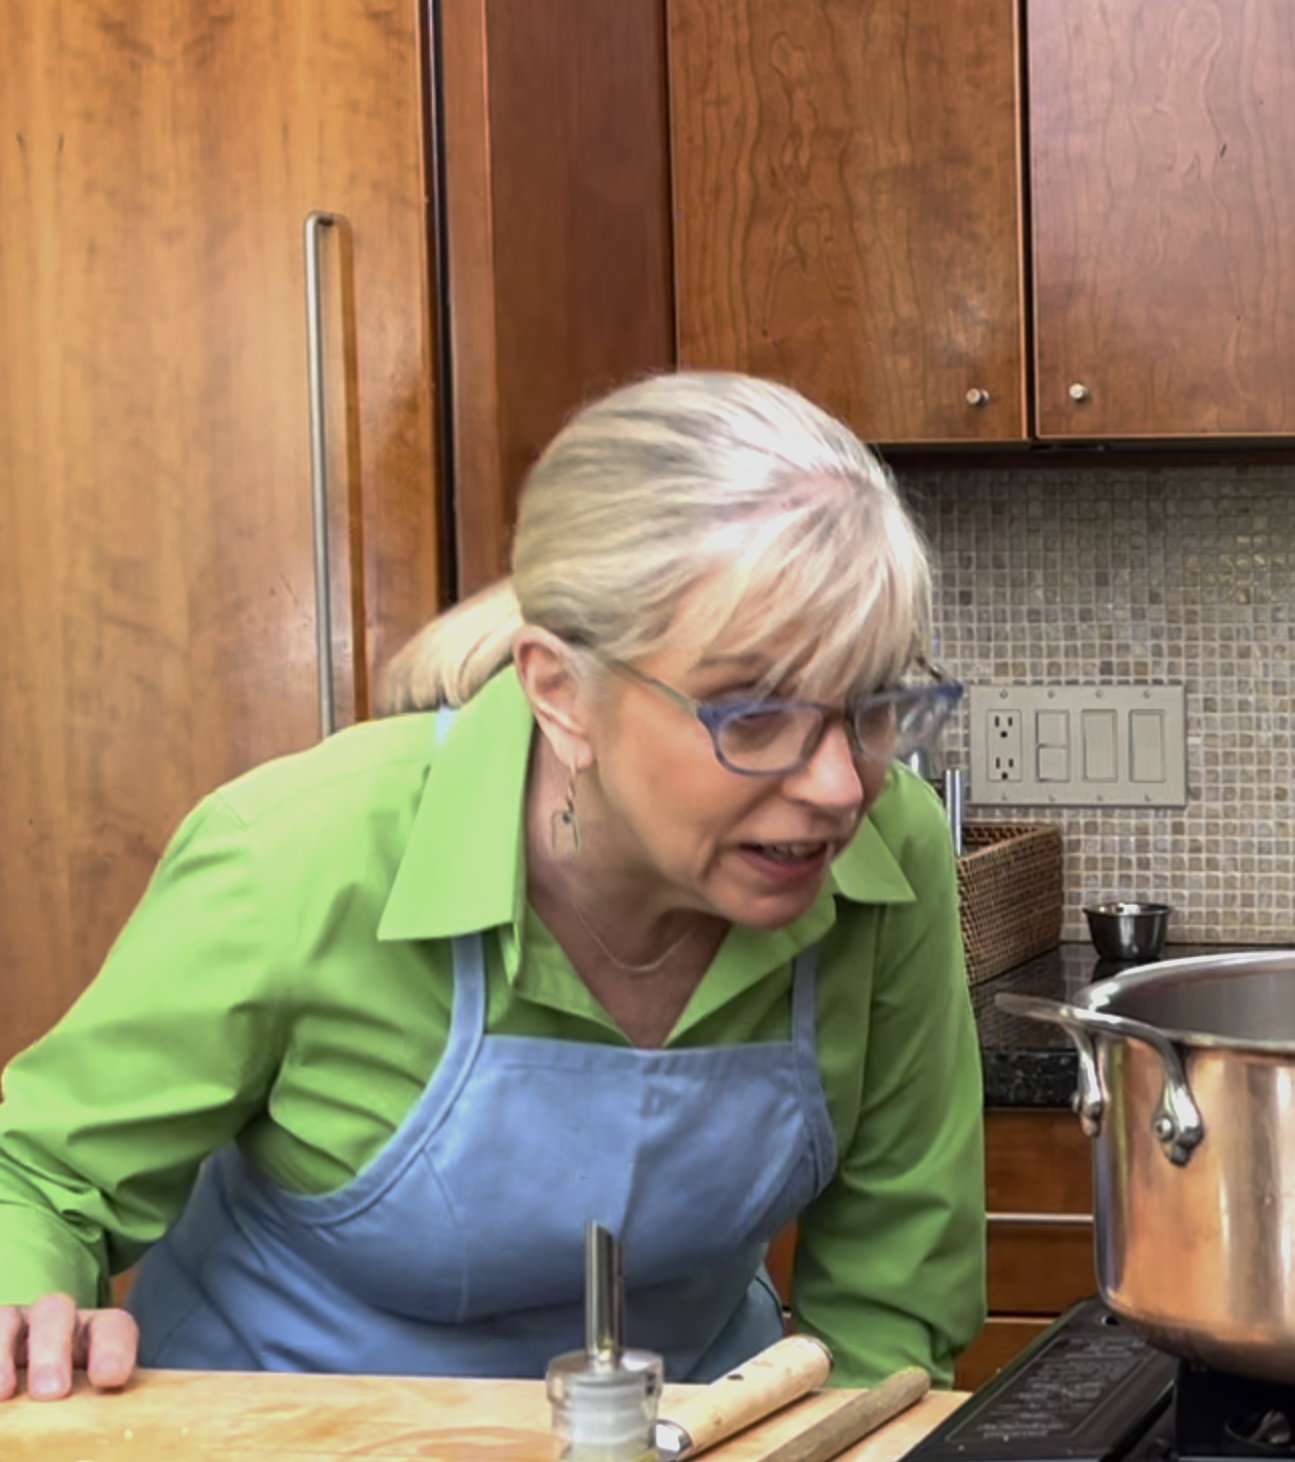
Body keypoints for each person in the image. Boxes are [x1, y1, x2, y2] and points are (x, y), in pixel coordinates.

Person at [0, 371, 987, 1404]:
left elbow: (890, 1297)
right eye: (753, 716)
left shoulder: (887, 851)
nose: (838, 785)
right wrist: (27, 1302)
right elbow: (40, 1181)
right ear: (562, 692)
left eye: (877, 707)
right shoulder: (296, 854)